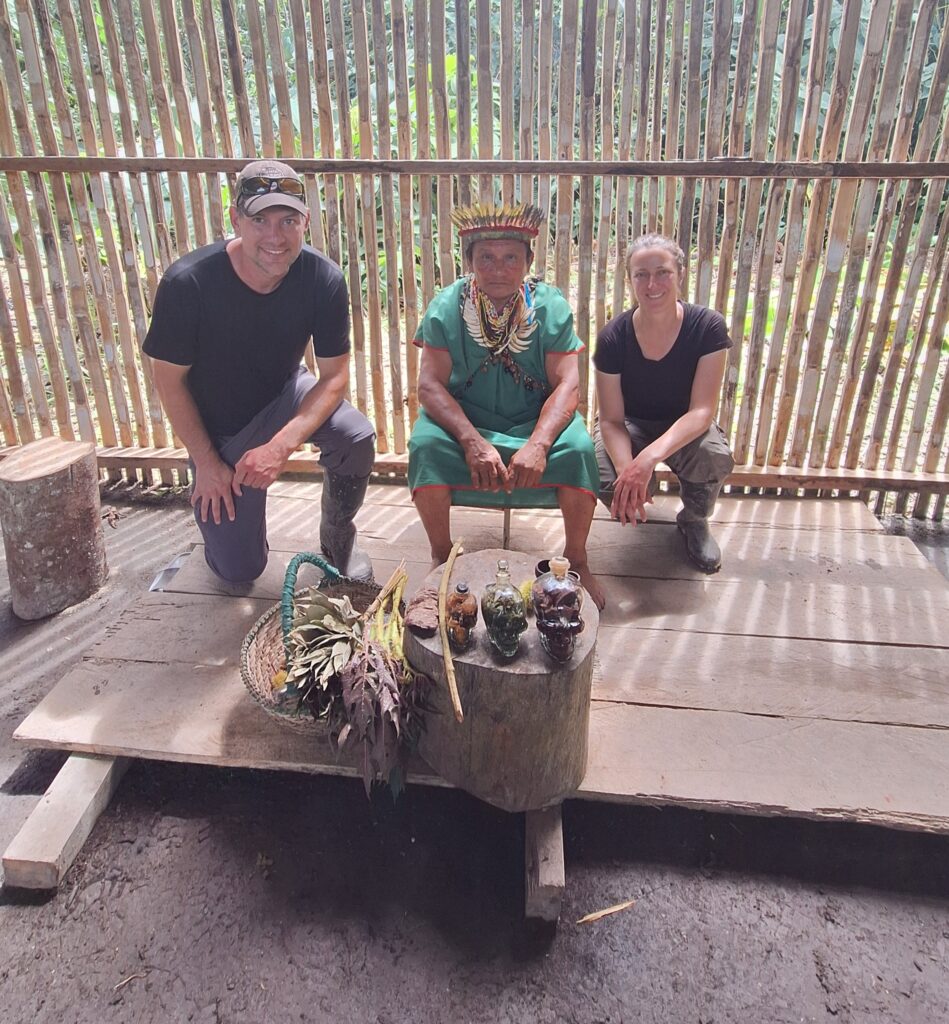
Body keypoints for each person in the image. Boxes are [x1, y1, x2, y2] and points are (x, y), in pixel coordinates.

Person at [143, 159, 375, 583]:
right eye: (260, 219)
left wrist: (282, 445)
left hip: (285, 394)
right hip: (220, 432)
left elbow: (335, 377)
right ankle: (224, 540)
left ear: (305, 221)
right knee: (240, 572)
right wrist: (207, 462)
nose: (275, 236)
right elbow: (168, 381)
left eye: (288, 220)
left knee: (355, 435)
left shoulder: (323, 278)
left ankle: (338, 533)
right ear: (236, 219)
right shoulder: (188, 284)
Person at [408, 202, 605, 609]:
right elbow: (429, 385)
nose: (498, 269)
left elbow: (568, 385)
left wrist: (539, 444)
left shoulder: (548, 306)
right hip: (467, 425)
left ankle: (578, 558)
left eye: (511, 258)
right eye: (487, 258)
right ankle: (441, 555)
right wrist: (470, 441)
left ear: (528, 262)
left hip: (534, 423)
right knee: (426, 446)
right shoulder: (447, 306)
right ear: (470, 265)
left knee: (581, 450)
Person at [593, 233, 734, 573]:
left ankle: (695, 520)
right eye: (641, 274)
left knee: (714, 456)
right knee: (603, 476)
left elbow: (701, 412)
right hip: (630, 425)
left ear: (679, 274)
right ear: (629, 281)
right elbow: (610, 420)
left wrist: (649, 459)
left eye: (662, 272)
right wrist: (629, 470)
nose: (652, 283)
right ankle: (637, 498)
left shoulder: (707, 327)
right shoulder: (613, 336)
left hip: (685, 425)